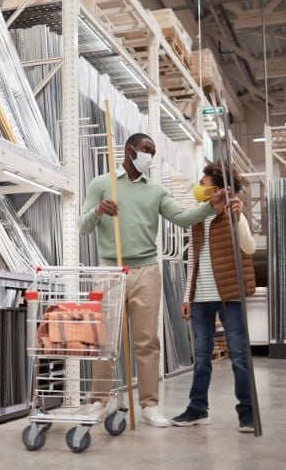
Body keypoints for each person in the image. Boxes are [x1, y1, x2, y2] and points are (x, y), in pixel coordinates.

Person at [79, 133, 228, 427]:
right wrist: (98, 211)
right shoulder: (101, 184)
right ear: (129, 150)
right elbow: (83, 227)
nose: (149, 156)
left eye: (153, 152)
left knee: (148, 342)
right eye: (146, 150)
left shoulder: (156, 191)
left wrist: (211, 207)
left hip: (146, 271)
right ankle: (98, 401)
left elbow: (183, 218)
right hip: (110, 270)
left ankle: (149, 405)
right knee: (105, 341)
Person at [170, 162, 257, 433]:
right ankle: (198, 409)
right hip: (200, 298)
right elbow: (193, 258)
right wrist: (187, 296)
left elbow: (249, 247)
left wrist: (238, 218)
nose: (199, 186)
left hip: (228, 296)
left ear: (217, 188)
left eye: (203, 182)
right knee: (202, 355)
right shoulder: (199, 215)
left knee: (240, 354)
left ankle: (247, 412)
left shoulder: (235, 213)